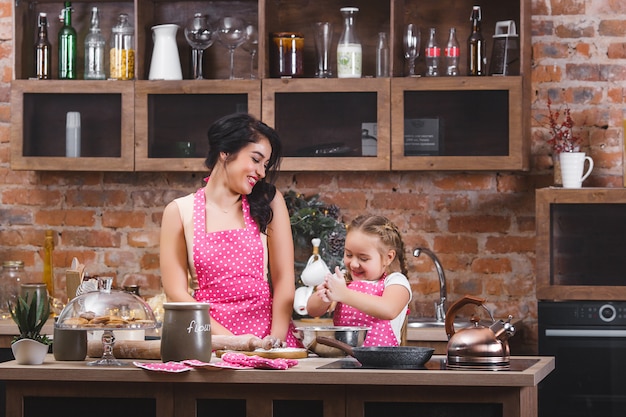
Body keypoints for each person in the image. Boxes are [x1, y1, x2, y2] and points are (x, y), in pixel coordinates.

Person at [160, 113, 300, 348]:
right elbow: (177, 294)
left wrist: (274, 342)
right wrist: (234, 343)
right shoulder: (179, 212)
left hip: (267, 341)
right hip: (210, 341)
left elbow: (284, 280)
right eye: (256, 160)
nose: (262, 172)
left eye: (265, 165)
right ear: (225, 152)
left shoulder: (268, 201)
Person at [306, 215, 412, 346]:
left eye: (363, 258)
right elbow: (312, 309)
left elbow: (388, 309)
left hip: (383, 363)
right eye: (349, 255)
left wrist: (344, 294)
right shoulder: (343, 278)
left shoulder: (396, 282)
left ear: (388, 257)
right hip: (345, 360)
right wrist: (323, 299)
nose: (354, 264)